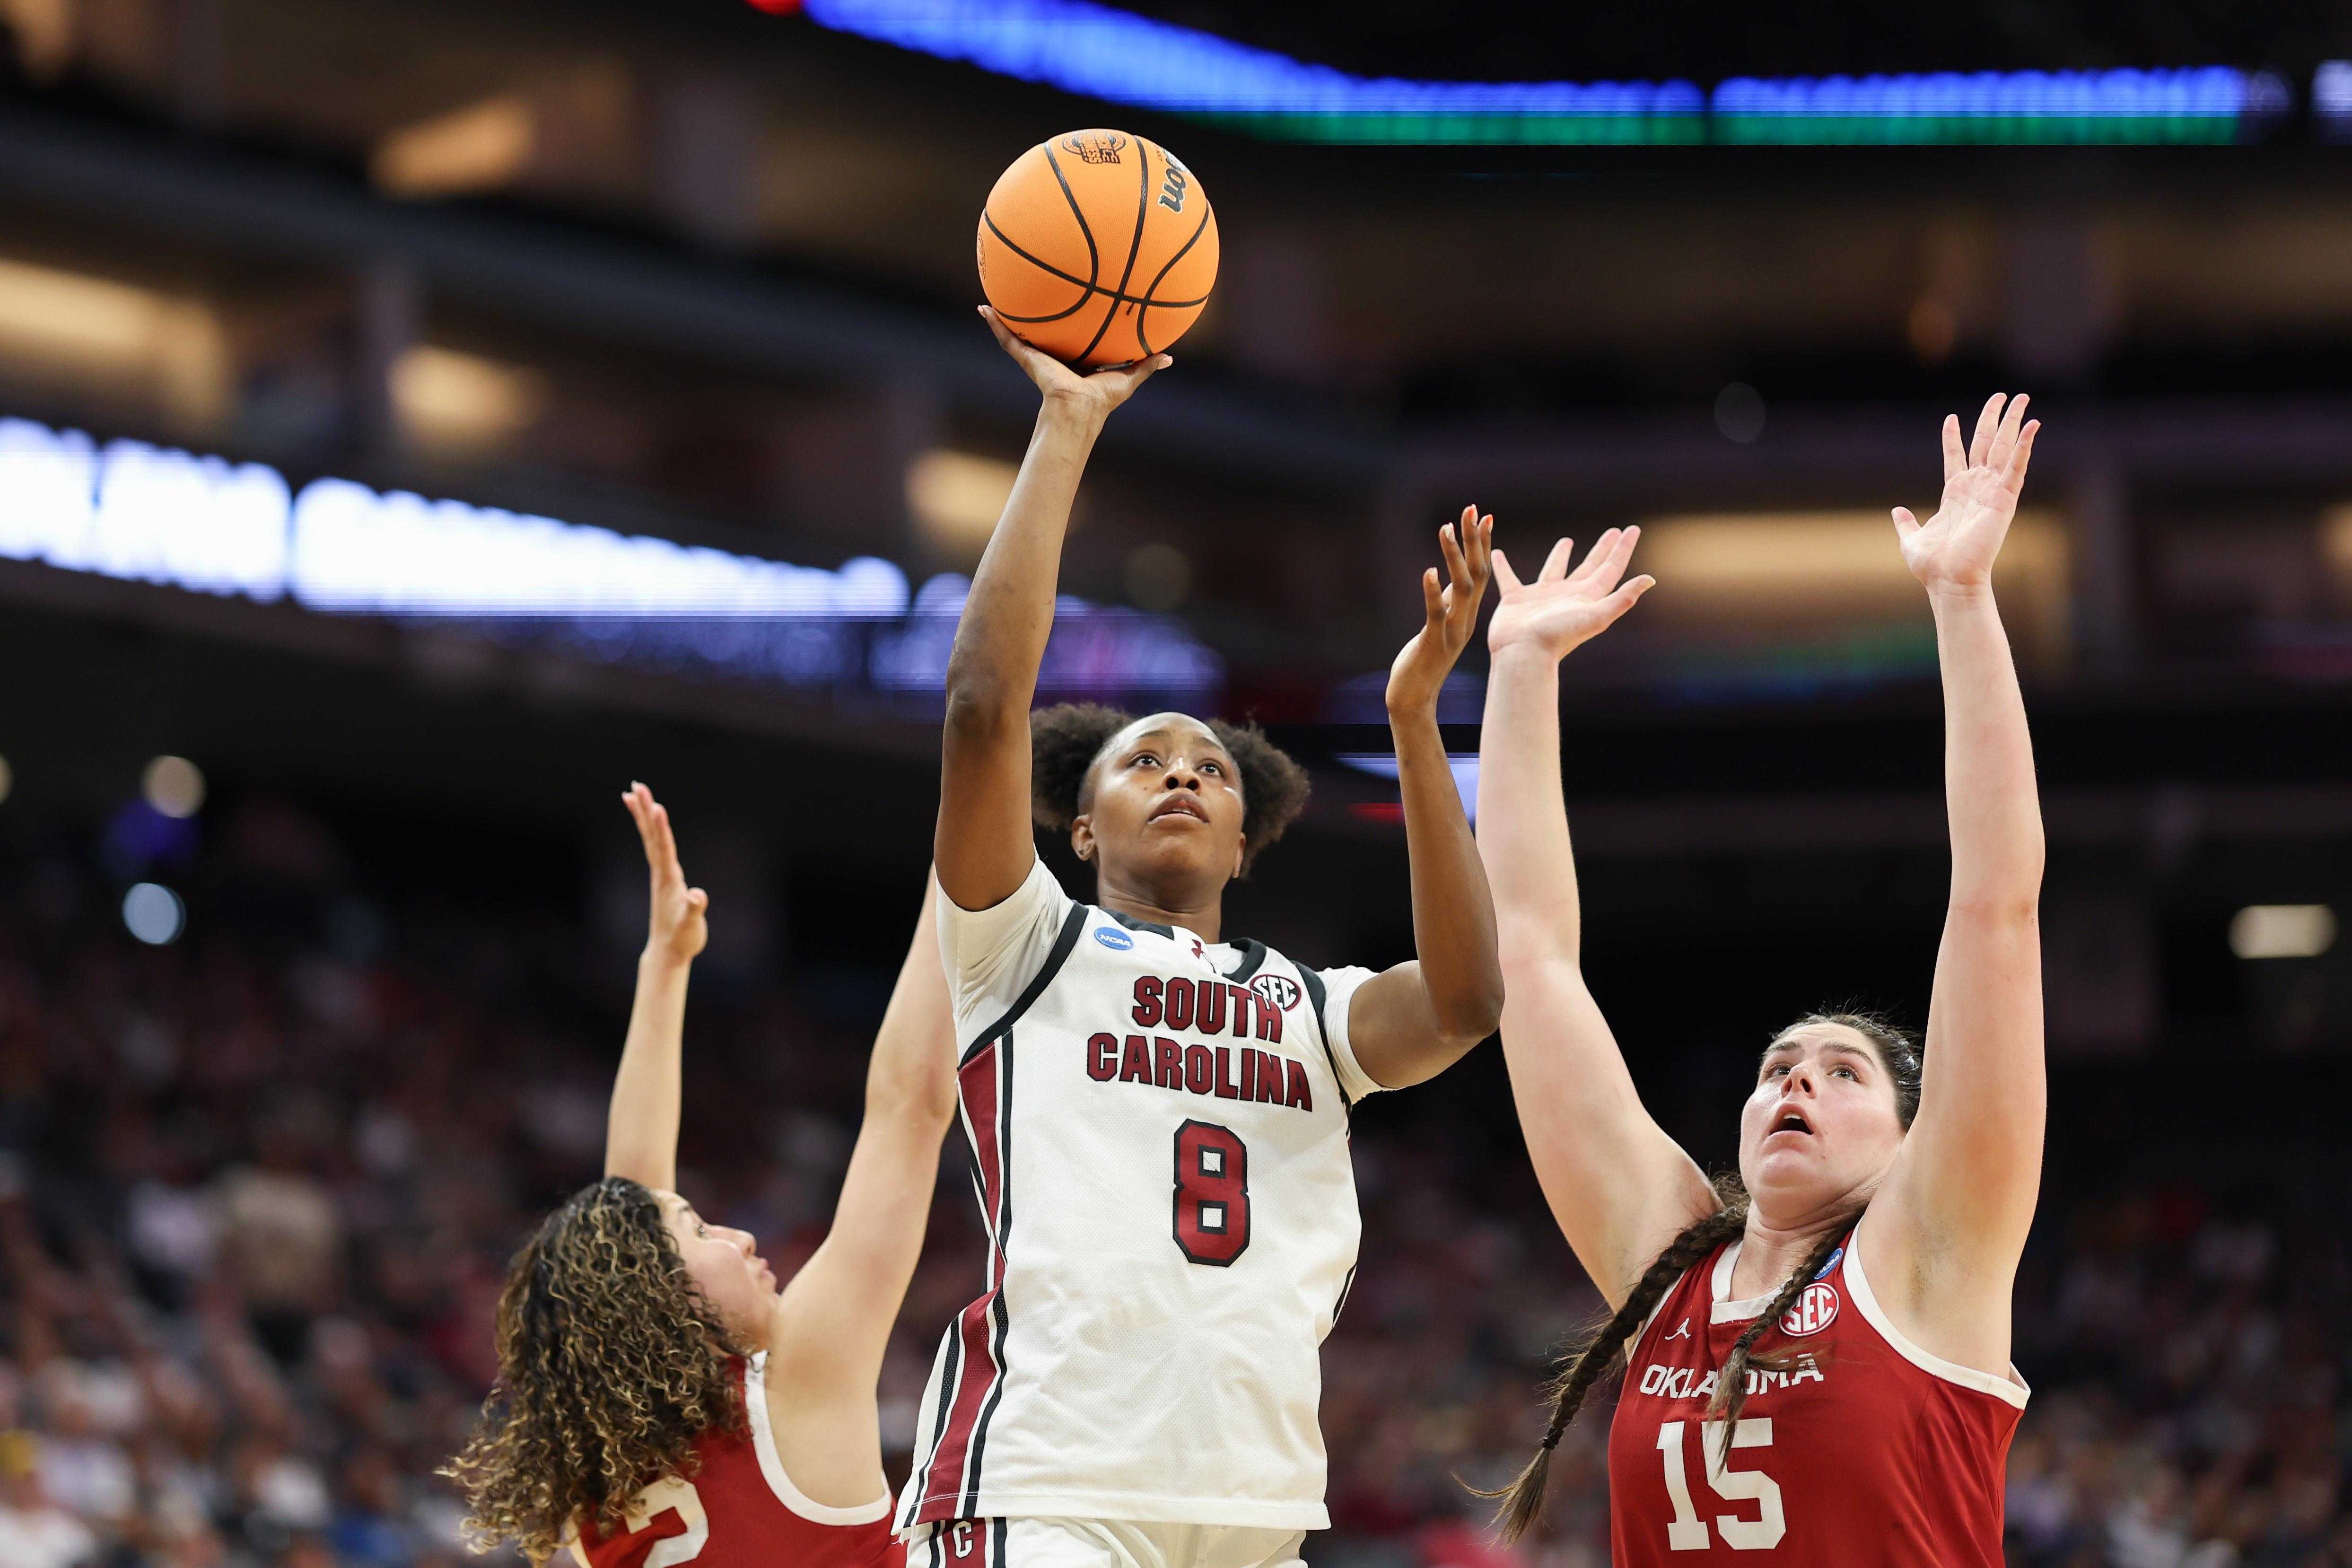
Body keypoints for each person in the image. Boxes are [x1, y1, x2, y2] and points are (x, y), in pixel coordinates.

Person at [898, 310, 1505, 1568]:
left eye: (1210, 769)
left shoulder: (1305, 1004)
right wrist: (1066, 426)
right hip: (1049, 1480)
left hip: (1253, 1507)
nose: (1180, 772)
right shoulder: (1026, 950)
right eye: (1141, 761)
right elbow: (977, 706)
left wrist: (1410, 721)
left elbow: (1462, 1001)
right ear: (1078, 825)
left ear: (1243, 842)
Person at [1475, 395, 2046, 1565]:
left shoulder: (1931, 1248)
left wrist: (1963, 598)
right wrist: (1522, 670)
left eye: (1842, 1073)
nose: (1797, 1080)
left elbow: (1996, 898)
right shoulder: (1667, 1266)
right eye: (1779, 1064)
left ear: (1905, 1140)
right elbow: (1529, 959)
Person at [445, 784, 956, 1568]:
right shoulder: (791, 1390)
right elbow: (909, 1106)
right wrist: (970, 836)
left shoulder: (592, 1500)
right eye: (703, 1229)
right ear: (657, 1305)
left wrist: (665, 964)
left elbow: (629, 1210)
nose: (741, 1234)